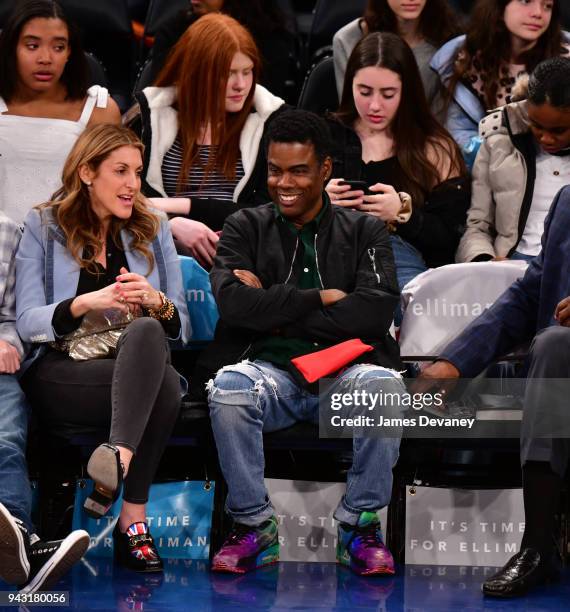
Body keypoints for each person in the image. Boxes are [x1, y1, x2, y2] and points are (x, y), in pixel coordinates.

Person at [206, 109, 406, 576]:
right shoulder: (243, 226)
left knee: (384, 389)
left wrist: (273, 311)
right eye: (275, 170)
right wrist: (318, 298)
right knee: (230, 388)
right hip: (270, 374)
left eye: (298, 170)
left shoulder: (366, 231)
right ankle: (253, 525)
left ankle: (360, 527)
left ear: (325, 170)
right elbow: (234, 307)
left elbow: (374, 313)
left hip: (344, 376)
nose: (284, 183)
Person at [15, 124, 190, 573]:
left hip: (134, 367)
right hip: (63, 371)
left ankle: (117, 459)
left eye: (137, 171)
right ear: (88, 172)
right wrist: (82, 303)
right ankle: (132, 520)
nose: (133, 184)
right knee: (164, 387)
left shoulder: (155, 228)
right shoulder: (44, 225)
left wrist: (156, 301)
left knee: (155, 346)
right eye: (121, 171)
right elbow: (28, 321)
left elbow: (181, 327)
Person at [419, 183, 570, 597]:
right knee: (554, 344)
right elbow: (528, 296)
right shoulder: (568, 201)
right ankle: (538, 548)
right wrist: (454, 363)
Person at [128, 13, 285, 268]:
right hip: (159, 259)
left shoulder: (272, 122)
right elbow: (119, 197)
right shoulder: (149, 117)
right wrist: (167, 223)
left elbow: (270, 211)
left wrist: (180, 205)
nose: (241, 85)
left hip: (246, 262)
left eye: (247, 72)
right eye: (229, 74)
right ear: (196, 73)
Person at [326, 32, 469, 294]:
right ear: (350, 86)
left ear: (407, 92)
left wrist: (404, 214)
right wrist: (317, 203)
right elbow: (278, 206)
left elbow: (451, 237)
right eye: (364, 92)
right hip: (329, 255)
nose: (375, 105)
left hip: (402, 262)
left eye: (388, 93)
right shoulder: (325, 135)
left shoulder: (434, 147)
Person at [0, 210, 90, 594]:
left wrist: (7, 343)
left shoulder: (5, 230)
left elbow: (10, 316)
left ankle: (17, 534)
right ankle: (31, 551)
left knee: (6, 427)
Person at [0, 0, 121, 226]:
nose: (45, 59)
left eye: (58, 47)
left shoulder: (98, 111)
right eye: (32, 46)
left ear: (70, 53)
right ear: (11, 49)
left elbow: (113, 192)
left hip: (70, 242)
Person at [457, 57, 570, 264]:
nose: (545, 138)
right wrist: (483, 260)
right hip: (507, 265)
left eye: (558, 130)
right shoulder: (498, 142)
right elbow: (477, 225)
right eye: (536, 125)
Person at [431, 0, 570, 160]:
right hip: (485, 168)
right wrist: (501, 158)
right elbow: (458, 133)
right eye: (526, 1)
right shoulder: (464, 59)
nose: (538, 13)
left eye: (547, 6)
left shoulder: (565, 61)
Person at [148, 0, 294, 100]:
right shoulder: (174, 34)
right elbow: (163, 91)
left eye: (246, 72)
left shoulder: (270, 41)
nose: (240, 85)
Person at [333, 0, 459, 110]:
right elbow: (351, 115)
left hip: (425, 135)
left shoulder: (450, 43)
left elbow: (441, 122)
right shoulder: (349, 39)